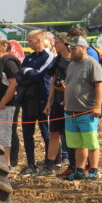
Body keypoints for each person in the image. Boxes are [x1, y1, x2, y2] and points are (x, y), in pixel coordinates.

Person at [62, 37, 102, 181]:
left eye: (74, 48)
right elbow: (68, 85)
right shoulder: (71, 64)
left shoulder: (92, 64)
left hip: (87, 110)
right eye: (70, 48)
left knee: (91, 142)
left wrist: (98, 106)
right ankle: (79, 169)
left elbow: (99, 85)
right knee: (77, 143)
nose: (71, 51)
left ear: (83, 48)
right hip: (71, 111)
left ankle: (93, 170)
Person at [17, 30, 54, 176]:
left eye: (30, 40)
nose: (28, 43)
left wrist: (28, 73)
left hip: (42, 99)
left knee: (46, 132)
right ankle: (31, 164)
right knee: (27, 133)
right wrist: (28, 73)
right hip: (28, 100)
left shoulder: (48, 56)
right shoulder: (29, 57)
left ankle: (49, 162)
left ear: (39, 40)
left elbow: (39, 76)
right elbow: (19, 75)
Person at [43, 34, 73, 176]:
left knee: (71, 134)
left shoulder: (76, 60)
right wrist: (49, 102)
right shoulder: (57, 60)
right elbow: (53, 83)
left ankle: (73, 164)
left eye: (57, 42)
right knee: (54, 133)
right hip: (57, 102)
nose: (55, 44)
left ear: (65, 43)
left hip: (72, 102)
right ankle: (50, 164)